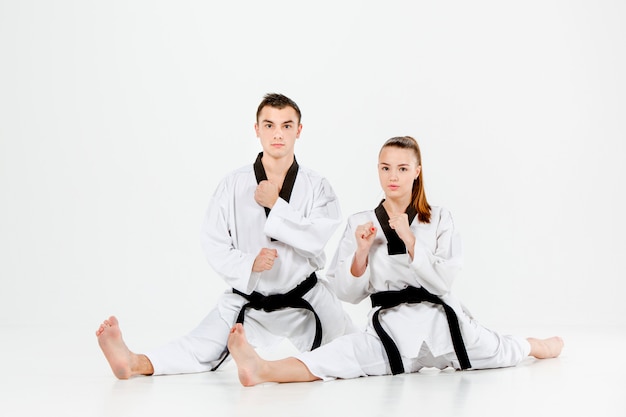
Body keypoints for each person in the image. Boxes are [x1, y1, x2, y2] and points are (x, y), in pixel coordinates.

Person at [226, 135, 564, 386]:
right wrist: (360, 252)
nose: (394, 176)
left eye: (402, 168)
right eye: (386, 168)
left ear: (417, 171)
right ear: (378, 170)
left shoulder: (439, 218)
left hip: (443, 323)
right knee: (335, 359)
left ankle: (538, 345)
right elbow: (346, 292)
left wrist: (411, 240)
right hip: (391, 329)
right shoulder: (361, 222)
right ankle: (260, 368)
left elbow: (444, 281)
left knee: (502, 350)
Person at [96, 93, 357, 379]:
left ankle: (261, 367)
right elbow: (214, 242)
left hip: (307, 297)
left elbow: (318, 237)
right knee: (197, 347)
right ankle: (132, 362)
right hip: (248, 300)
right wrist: (249, 264)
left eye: (286, 125)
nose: (277, 134)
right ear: (256, 130)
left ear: (299, 130)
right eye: (269, 125)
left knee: (353, 348)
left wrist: (276, 206)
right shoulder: (233, 185)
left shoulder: (318, 186)